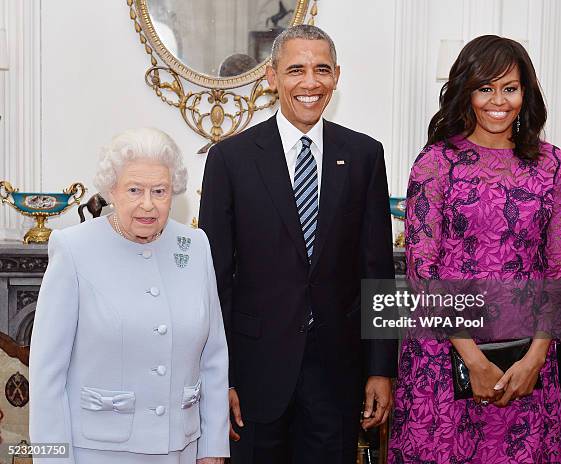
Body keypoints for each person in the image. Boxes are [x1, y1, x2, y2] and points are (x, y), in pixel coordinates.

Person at [199, 25, 397, 464]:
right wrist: (220, 377)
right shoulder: (230, 160)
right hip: (253, 375)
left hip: (336, 374)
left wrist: (381, 368)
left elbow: (377, 270)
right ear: (272, 77)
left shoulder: (364, 155)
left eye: (321, 69)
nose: (310, 82)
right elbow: (214, 280)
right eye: (296, 70)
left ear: (337, 75)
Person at [389, 35, 561, 463]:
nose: (498, 100)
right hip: (442, 357)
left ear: (525, 93)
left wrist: (534, 358)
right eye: (485, 87)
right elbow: (424, 268)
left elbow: (559, 268)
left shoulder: (553, 165)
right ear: (466, 92)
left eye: (509, 88)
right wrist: (472, 358)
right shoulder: (436, 162)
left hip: (526, 360)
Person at [29, 128, 229, 464]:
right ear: (111, 190)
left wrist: (212, 448)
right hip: (96, 452)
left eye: (160, 191)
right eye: (134, 190)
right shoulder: (74, 248)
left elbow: (213, 358)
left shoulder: (195, 246)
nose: (147, 204)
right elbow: (47, 373)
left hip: (180, 449)